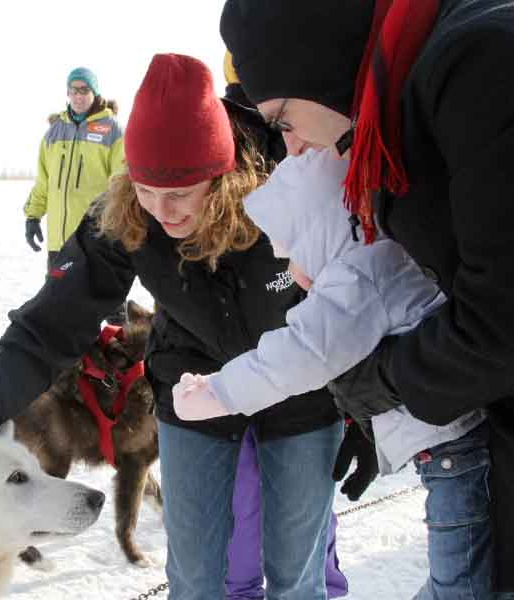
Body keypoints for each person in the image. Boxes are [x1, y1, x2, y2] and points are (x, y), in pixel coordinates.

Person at [0, 54, 376, 599]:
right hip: (194, 391)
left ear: (222, 179)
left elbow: (356, 297)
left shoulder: (289, 181)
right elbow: (47, 329)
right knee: (196, 580)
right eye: (148, 189)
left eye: (178, 194)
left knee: (297, 578)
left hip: (300, 390)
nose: (162, 211)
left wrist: (364, 409)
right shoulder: (129, 212)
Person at [221, 0, 514, 597]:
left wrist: (383, 378)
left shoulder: (492, 60)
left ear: (313, 63)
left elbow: (512, 324)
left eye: (282, 120)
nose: (294, 147)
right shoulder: (414, 85)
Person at [173, 147, 491, 599]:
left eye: (292, 253)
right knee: (468, 564)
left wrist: (219, 391)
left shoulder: (357, 277)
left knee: (461, 577)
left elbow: (300, 354)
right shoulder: (383, 256)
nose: (292, 271)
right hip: (454, 441)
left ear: (320, 233)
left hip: (450, 449)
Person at [220, 51, 349, 600]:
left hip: (309, 365)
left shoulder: (322, 128)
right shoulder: (222, 137)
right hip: (234, 358)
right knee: (243, 516)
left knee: (309, 521)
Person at [23, 66, 125, 272]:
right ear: (68, 93)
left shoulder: (112, 130)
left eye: (84, 90)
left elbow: (122, 185)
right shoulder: (54, 131)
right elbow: (44, 181)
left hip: (96, 240)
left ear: (94, 93)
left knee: (102, 301)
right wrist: (33, 216)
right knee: (57, 300)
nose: (78, 96)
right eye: (73, 90)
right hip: (58, 242)